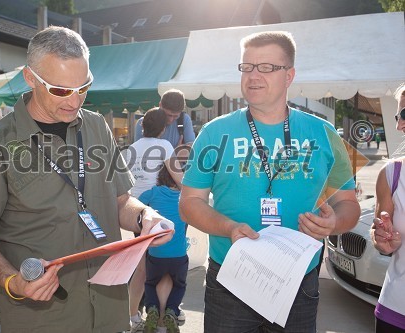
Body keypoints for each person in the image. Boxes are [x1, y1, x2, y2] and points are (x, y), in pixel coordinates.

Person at [0, 26, 172, 333]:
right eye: (60, 90)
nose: (74, 101)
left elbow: (121, 200)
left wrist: (145, 218)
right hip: (42, 319)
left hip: (109, 312)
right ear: (31, 78)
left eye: (83, 87)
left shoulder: (97, 126)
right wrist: (13, 281)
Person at [179, 31, 361, 333]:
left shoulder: (324, 132)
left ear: (289, 75)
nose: (253, 76)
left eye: (266, 67)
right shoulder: (213, 132)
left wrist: (334, 224)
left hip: (298, 282)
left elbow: (349, 206)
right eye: (247, 66)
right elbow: (189, 203)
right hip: (230, 280)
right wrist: (228, 228)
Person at [123, 107, 184, 332]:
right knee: (164, 266)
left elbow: (121, 183)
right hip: (160, 212)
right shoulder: (165, 146)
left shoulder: (130, 149)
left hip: (136, 214)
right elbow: (179, 178)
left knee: (142, 268)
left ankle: (133, 316)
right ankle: (161, 318)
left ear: (142, 126)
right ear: (163, 128)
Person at [371, 83, 405, 333]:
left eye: (403, 116)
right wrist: (381, 240)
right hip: (396, 307)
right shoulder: (392, 174)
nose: (399, 125)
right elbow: (378, 233)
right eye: (398, 116)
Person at [139, 163, 189, 333]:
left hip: (156, 253)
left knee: (150, 284)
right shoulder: (185, 196)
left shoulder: (153, 193)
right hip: (179, 255)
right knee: (179, 285)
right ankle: (172, 311)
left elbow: (136, 206)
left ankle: (151, 308)